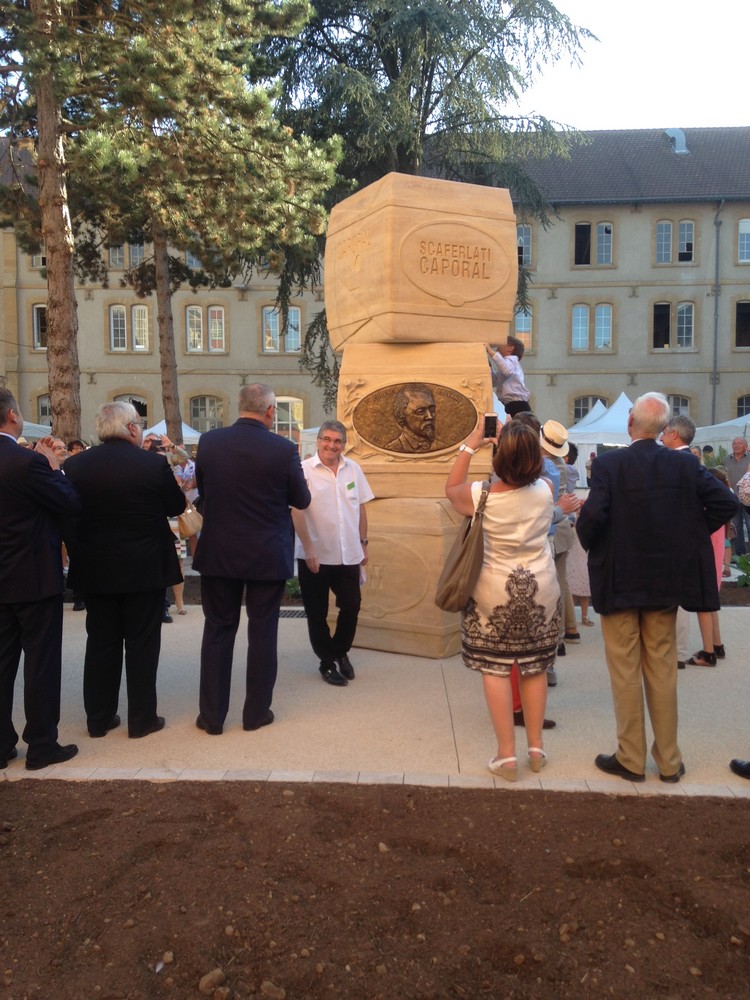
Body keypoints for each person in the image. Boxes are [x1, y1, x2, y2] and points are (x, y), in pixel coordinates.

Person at [576, 392, 739, 784]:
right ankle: (668, 761)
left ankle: (631, 758)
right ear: (664, 429)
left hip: (619, 582)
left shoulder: (609, 465)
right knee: (663, 671)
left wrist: (591, 539)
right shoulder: (682, 466)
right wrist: (688, 532)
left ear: (630, 423)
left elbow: (592, 519)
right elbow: (724, 502)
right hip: (664, 583)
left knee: (625, 671)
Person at [446, 418, 560, 781]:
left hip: (494, 591)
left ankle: (506, 756)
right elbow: (529, 474)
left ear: (500, 458)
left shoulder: (479, 495)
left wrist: (470, 445)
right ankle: (537, 747)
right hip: (541, 587)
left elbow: (451, 489)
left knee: (495, 668)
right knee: (535, 666)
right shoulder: (547, 489)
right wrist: (519, 435)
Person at [193, 383, 311, 734]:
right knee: (263, 632)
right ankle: (256, 713)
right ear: (271, 412)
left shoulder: (210, 443)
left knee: (217, 630)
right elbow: (301, 499)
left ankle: (212, 717)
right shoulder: (283, 449)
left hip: (220, 552)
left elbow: (203, 487)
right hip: (266, 552)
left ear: (238, 406)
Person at [64, 402, 186, 739]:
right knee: (142, 643)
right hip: (144, 569)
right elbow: (176, 506)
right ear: (132, 428)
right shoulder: (151, 465)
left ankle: (98, 719)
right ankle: (142, 719)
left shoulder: (75, 466)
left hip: (96, 568)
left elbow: (68, 515)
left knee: (101, 642)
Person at [0, 388, 81, 770]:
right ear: (13, 415)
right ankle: (42, 744)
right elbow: (69, 503)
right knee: (40, 663)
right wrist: (52, 465)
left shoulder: (21, 459)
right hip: (32, 577)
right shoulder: (26, 463)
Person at [291, 420, 374, 686]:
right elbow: (297, 511)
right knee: (317, 612)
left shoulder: (354, 470)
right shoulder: (303, 471)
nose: (332, 445)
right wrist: (309, 548)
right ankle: (327, 662)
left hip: (348, 553)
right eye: (327, 439)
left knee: (351, 605)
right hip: (315, 555)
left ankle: (340, 651)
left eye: (337, 441)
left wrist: (363, 543)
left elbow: (360, 508)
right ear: (318, 441)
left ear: (344, 444)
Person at [385, 384, 446, 453]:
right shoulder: (392, 449)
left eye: (432, 409)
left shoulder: (443, 447)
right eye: (420, 411)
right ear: (402, 415)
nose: (430, 416)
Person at [483, 337, 531, 417]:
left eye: (502, 344)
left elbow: (507, 371)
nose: (498, 346)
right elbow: (494, 381)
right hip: (509, 405)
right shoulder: (506, 365)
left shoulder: (512, 360)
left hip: (518, 405)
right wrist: (489, 366)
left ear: (510, 348)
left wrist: (491, 352)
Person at [725, 437, 749, 556]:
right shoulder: (726, 459)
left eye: (739, 443)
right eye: (734, 443)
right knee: (736, 526)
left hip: (748, 499)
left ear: (745, 446)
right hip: (733, 497)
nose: (736, 445)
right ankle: (740, 554)